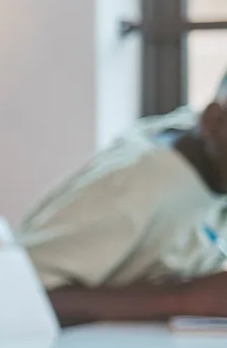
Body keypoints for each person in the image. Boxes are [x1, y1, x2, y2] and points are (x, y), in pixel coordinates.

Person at [20, 72, 227, 326]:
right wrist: (184, 299)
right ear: (214, 120)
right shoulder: (136, 181)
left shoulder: (211, 164)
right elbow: (19, 296)